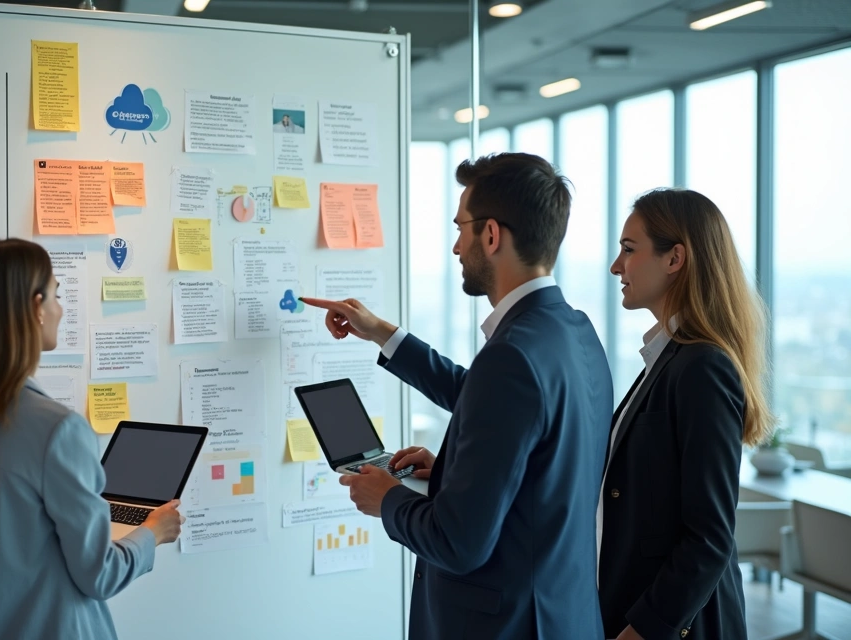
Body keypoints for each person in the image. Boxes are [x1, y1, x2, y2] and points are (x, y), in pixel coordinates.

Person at [302, 152, 612, 639]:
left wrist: (387, 498)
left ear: (491, 235)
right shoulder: (575, 332)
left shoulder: (512, 356)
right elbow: (501, 417)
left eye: (461, 228)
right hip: (563, 614)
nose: (455, 246)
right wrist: (384, 334)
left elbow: (458, 544)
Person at [0, 239, 183, 640]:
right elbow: (100, 575)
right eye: (57, 295)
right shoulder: (58, 430)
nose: (61, 308)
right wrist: (153, 531)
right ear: (36, 308)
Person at [600, 189, 770, 640]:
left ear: (675, 258)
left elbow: (709, 538)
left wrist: (643, 630)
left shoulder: (702, 367)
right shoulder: (669, 360)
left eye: (629, 250)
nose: (616, 266)